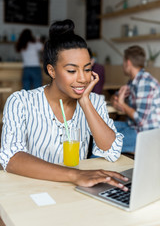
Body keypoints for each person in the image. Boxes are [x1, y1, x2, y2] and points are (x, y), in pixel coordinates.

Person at [0, 19, 128, 190]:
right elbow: (11, 158)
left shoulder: (94, 101)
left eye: (87, 69)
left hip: (76, 189)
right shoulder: (21, 102)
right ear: (51, 70)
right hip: (34, 189)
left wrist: (85, 102)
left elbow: (111, 152)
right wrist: (74, 175)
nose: (83, 78)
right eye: (72, 71)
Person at [111, 45, 160, 153]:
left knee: (106, 144)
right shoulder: (133, 81)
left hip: (146, 134)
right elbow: (117, 97)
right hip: (132, 125)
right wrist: (116, 100)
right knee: (103, 127)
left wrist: (122, 104)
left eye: (123, 62)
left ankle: (88, 169)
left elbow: (141, 120)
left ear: (128, 62)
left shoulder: (145, 83)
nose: (122, 65)